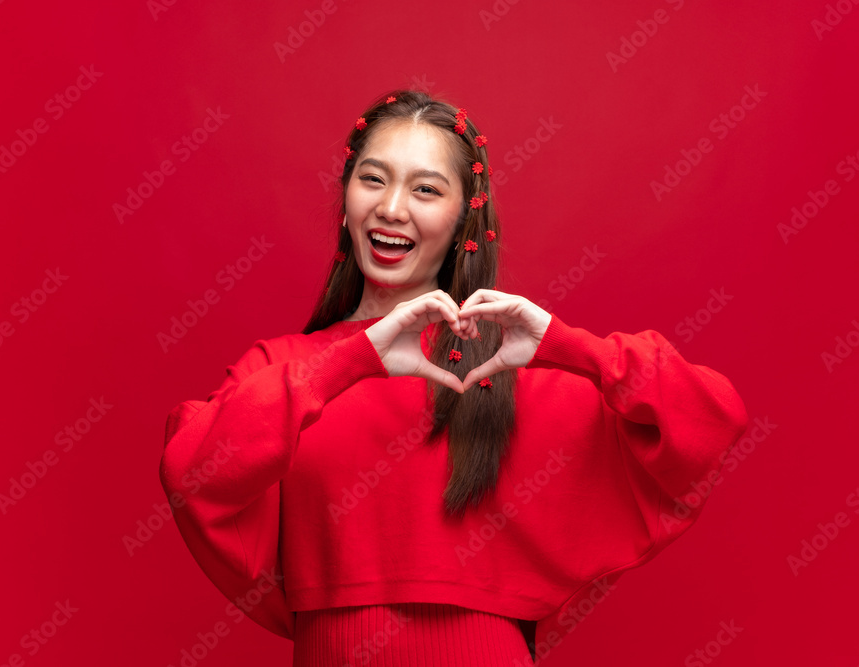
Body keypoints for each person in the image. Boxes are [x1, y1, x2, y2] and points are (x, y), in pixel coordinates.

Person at [159, 89, 750, 666]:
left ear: (465, 218)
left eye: (425, 189)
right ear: (344, 201)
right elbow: (192, 470)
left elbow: (709, 421)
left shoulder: (513, 371)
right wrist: (353, 358)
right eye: (373, 179)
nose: (392, 207)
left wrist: (574, 348)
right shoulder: (287, 369)